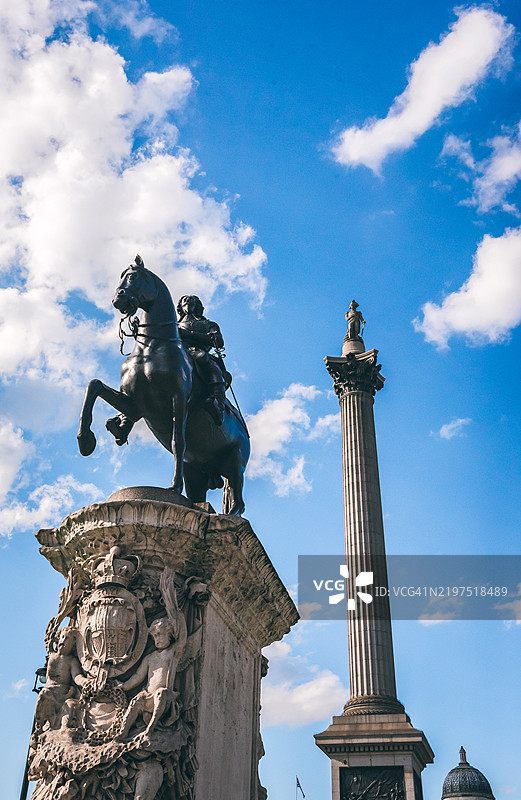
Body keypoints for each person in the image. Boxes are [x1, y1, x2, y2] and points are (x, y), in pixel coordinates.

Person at [116, 616, 186, 741]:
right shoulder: (150, 658)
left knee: (161, 693)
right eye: (154, 637)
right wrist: (124, 686)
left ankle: (150, 729)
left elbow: (182, 638)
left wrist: (177, 612)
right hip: (149, 696)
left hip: (167, 697)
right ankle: (123, 732)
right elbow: (138, 676)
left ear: (170, 634)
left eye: (159, 635)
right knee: (136, 701)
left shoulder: (173, 652)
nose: (156, 640)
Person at [176, 295, 227, 425]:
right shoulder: (173, 325)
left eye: (191, 300)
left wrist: (189, 335)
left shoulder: (208, 324)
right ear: (180, 306)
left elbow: (218, 341)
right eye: (184, 300)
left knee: (213, 368)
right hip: (176, 353)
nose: (187, 301)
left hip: (199, 353)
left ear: (197, 306)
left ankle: (218, 406)